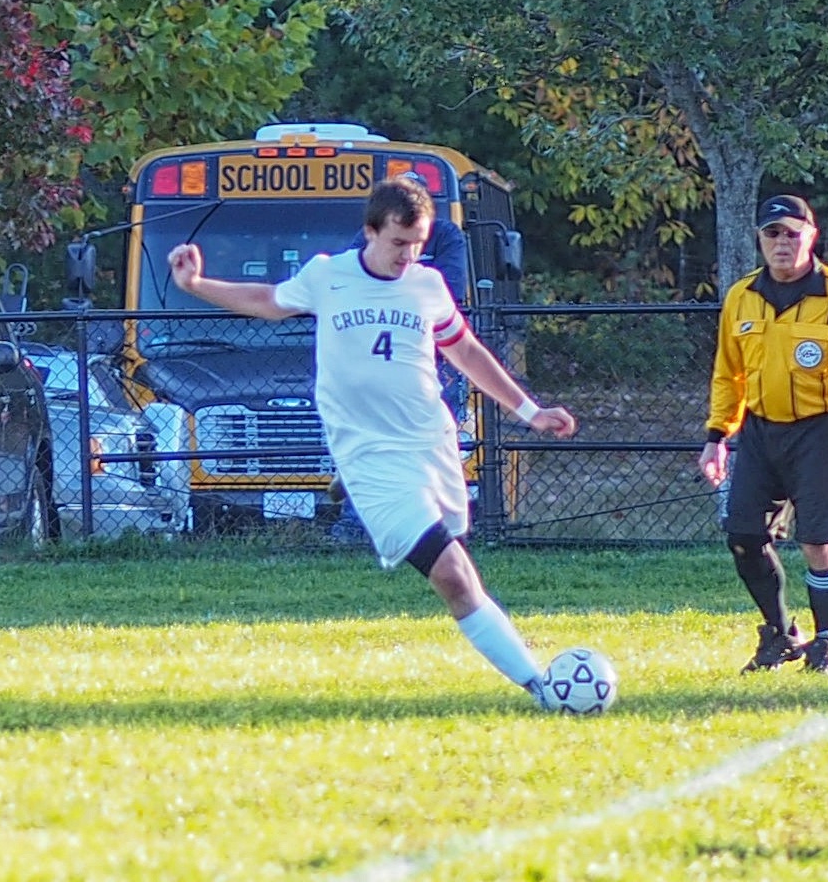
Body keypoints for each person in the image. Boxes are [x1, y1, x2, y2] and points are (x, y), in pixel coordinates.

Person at [169, 176, 578, 707]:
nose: (408, 255)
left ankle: (532, 676)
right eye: (398, 243)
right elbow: (268, 300)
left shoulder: (427, 286)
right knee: (452, 576)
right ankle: (541, 688)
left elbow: (466, 351)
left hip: (430, 442)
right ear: (369, 232)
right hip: (370, 454)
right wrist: (198, 284)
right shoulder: (328, 276)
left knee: (460, 558)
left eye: (418, 244)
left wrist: (529, 410)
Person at [699, 194, 828, 676]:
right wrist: (717, 436)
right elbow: (728, 374)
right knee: (743, 535)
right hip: (760, 432)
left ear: (811, 236)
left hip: (822, 429)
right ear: (759, 239)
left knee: (819, 542)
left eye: (792, 233)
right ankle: (780, 634)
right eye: (772, 233)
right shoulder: (742, 296)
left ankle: (825, 641)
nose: (782, 243)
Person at [329, 172, 470, 543]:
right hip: (375, 357)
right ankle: (354, 525)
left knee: (434, 444)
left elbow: (451, 290)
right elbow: (353, 281)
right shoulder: (373, 235)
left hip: (432, 357)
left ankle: (433, 528)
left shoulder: (446, 235)